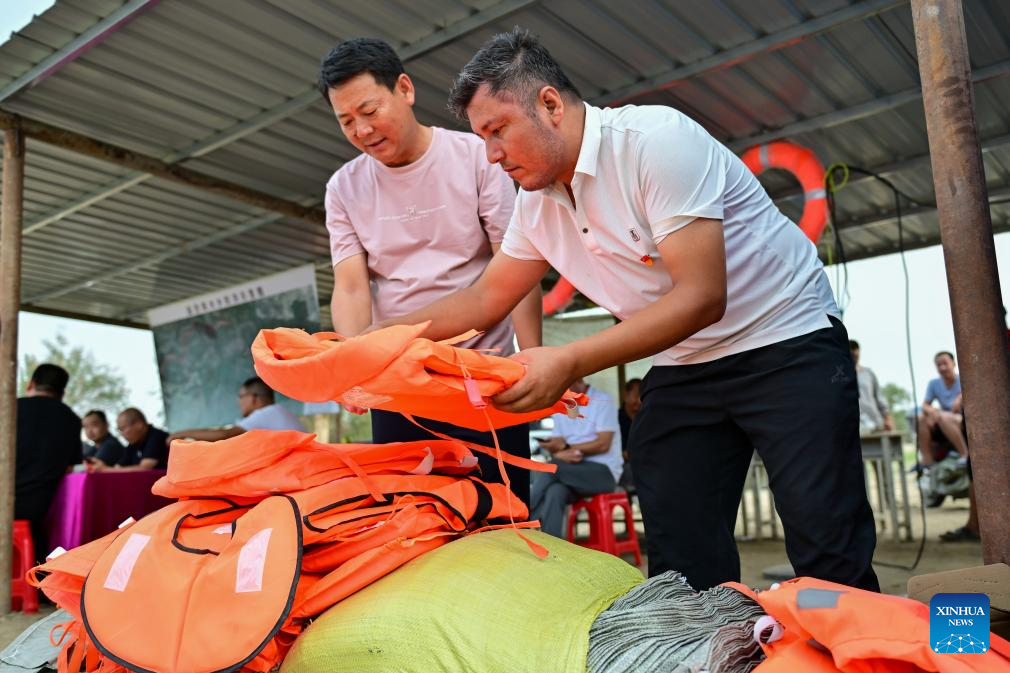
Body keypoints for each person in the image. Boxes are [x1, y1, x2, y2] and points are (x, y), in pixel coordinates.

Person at [368, 28, 879, 592]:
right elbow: (486, 299)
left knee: (826, 538)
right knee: (680, 558)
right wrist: (371, 340)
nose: (491, 154)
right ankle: (706, 647)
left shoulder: (655, 141)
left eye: (497, 131)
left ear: (550, 104)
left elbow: (702, 296)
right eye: (481, 137)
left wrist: (565, 360)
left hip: (785, 338)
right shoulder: (536, 204)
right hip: (687, 364)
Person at [316, 37, 542, 504]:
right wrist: (354, 367)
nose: (361, 129)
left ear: (404, 88)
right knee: (414, 520)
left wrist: (533, 359)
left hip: (482, 377)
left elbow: (515, 263)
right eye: (346, 122)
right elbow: (353, 288)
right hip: (399, 387)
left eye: (369, 110)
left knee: (501, 515)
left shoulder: (477, 156)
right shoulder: (344, 188)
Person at [531, 378, 622, 537]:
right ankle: (552, 549)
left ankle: (523, 516)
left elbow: (603, 444)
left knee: (553, 467)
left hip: (603, 473)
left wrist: (567, 450)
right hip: (570, 472)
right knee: (555, 491)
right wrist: (554, 447)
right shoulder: (563, 403)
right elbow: (558, 441)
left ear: (577, 379)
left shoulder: (602, 400)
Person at [15, 364, 82, 563]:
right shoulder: (71, 419)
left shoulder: (10, 408)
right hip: (42, 511)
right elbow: (71, 467)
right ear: (62, 392)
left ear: (31, 384)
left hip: (7, 503)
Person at [166, 377, 306, 444]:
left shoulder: (266, 413)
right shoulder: (277, 411)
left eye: (241, 396)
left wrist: (182, 434)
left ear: (253, 398)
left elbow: (224, 434)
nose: (239, 402)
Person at [917, 351, 967, 468]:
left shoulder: (963, 380)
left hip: (960, 419)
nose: (942, 368)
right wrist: (931, 411)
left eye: (945, 363)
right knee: (921, 418)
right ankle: (927, 460)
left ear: (953, 363)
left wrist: (960, 399)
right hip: (942, 419)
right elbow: (925, 405)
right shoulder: (934, 383)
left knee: (943, 417)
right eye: (939, 365)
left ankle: (964, 454)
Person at [92, 408, 169, 471]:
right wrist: (100, 466)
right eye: (119, 430)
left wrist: (106, 469)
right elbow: (118, 467)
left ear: (139, 424)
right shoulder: (134, 443)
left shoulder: (156, 436)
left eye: (123, 429)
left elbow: (144, 468)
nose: (121, 434)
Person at [849, 340, 893, 433]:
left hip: (875, 422)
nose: (853, 352)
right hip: (853, 426)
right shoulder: (838, 376)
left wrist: (887, 418)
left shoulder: (868, 373)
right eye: (850, 349)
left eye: (855, 348)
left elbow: (879, 397)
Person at [617, 377, 641, 490]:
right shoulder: (615, 419)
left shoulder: (648, 418)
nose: (640, 401)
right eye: (637, 396)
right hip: (624, 466)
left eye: (643, 396)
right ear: (626, 395)